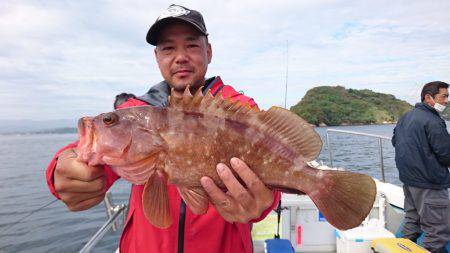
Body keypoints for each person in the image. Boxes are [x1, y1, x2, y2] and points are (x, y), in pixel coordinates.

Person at [45, 4, 280, 253]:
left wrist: (263, 203)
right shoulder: (138, 111)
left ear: (208, 52)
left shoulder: (239, 110)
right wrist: (63, 168)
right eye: (168, 48)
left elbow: (274, 174)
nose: (180, 56)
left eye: (191, 45)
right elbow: (89, 155)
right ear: (157, 57)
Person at [392, 81, 450, 253]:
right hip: (429, 184)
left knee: (411, 223)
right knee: (437, 232)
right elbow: (446, 154)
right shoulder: (433, 121)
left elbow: (396, 142)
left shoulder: (405, 117)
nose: (446, 101)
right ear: (428, 97)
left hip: (409, 182)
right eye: (444, 96)